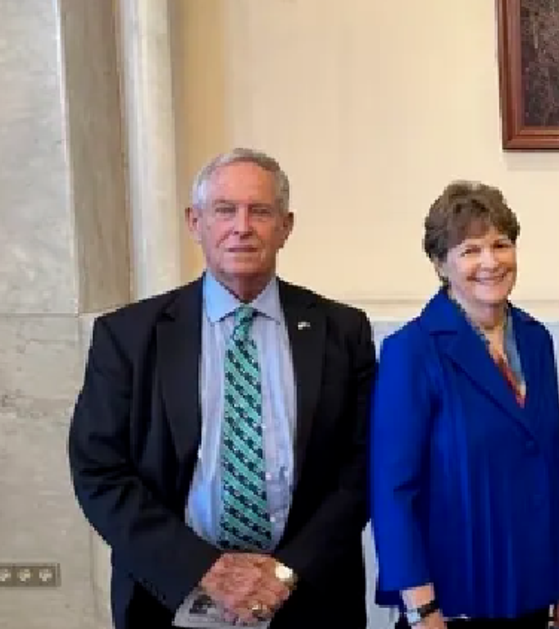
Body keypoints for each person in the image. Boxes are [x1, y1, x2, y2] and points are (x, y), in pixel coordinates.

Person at [67, 148, 377, 628]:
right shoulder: (127, 336)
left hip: (307, 599)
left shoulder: (342, 331)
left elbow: (362, 465)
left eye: (260, 211)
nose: (242, 227)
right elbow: (99, 469)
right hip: (171, 598)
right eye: (225, 210)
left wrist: (284, 572)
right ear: (195, 222)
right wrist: (206, 569)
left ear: (286, 226)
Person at [369, 181, 559, 629]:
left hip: (533, 589)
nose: (490, 262)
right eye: (470, 250)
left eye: (501, 245)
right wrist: (421, 608)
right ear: (440, 264)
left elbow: (554, 460)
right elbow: (393, 492)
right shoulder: (412, 351)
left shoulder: (535, 340)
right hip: (451, 603)